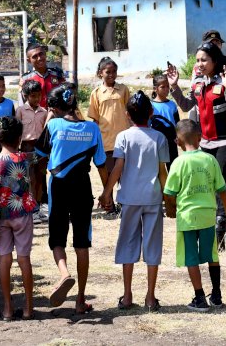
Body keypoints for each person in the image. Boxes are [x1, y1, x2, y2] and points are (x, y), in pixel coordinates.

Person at [35, 84, 109, 315]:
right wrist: (107, 193)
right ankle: (80, 300)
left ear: (55, 108)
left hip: (58, 188)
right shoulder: (92, 128)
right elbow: (101, 164)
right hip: (82, 188)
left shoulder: (53, 125)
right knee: (82, 243)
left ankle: (65, 274)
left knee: (57, 237)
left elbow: (39, 158)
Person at [98, 91, 170, 312]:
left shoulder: (123, 137)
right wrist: (170, 199)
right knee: (153, 245)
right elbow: (162, 172)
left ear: (128, 115)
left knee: (128, 243)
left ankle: (127, 295)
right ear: (151, 113)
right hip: (153, 197)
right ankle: (150, 297)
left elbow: (118, 167)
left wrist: (107, 192)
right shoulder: (159, 137)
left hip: (129, 198)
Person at [168, 42, 226, 250]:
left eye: (204, 60)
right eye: (198, 60)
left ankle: (218, 237)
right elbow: (185, 105)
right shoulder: (199, 83)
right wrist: (174, 86)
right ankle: (215, 232)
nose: (199, 64)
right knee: (209, 186)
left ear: (215, 61)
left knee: (222, 187)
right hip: (206, 143)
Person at [163, 119, 226, 311]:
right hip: (208, 216)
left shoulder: (178, 162)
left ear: (177, 141)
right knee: (212, 254)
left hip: (187, 218)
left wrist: (170, 209)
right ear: (200, 137)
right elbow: (222, 189)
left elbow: (169, 192)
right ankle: (217, 295)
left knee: (191, 258)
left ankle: (200, 297)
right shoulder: (210, 160)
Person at [0, 117, 37, 321]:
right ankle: (28, 307)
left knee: (5, 259)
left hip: (2, 216)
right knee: (24, 259)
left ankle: (7, 308)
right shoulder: (26, 159)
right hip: (23, 213)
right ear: (19, 137)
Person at [88, 56, 131, 181]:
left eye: (114, 71)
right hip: (106, 142)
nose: (111, 75)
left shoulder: (123, 89)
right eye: (108, 72)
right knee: (108, 174)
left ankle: (123, 200)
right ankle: (109, 200)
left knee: (124, 175)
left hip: (124, 139)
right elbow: (95, 120)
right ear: (100, 73)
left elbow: (130, 113)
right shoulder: (96, 93)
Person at [16, 80, 48, 225]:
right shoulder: (21, 111)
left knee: (40, 178)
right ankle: (31, 209)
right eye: (33, 96)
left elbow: (45, 133)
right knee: (29, 179)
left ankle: (38, 207)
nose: (36, 99)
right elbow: (17, 132)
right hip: (26, 148)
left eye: (38, 96)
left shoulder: (44, 112)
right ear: (26, 96)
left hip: (40, 149)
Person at [150, 73, 180, 166]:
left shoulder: (172, 104)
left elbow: (177, 123)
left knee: (173, 166)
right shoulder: (151, 106)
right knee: (158, 167)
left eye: (167, 86)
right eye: (163, 87)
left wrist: (178, 136)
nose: (166, 89)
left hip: (171, 141)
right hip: (156, 141)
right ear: (155, 88)